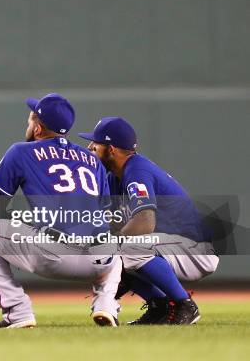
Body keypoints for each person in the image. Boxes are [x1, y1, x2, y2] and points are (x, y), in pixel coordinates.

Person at [0, 93, 122, 328]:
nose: (28, 125)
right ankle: (106, 305)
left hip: (54, 255)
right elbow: (107, 215)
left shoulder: (20, 151)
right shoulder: (92, 160)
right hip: (101, 260)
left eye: (30, 120)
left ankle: (18, 312)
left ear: (38, 128)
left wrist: (26, 229)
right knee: (114, 241)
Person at [79, 117, 218, 325]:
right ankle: (160, 306)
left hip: (195, 250)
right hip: (169, 245)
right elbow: (112, 225)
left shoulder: (136, 171)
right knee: (105, 248)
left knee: (126, 247)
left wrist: (112, 248)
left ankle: (184, 304)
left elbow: (145, 221)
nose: (90, 147)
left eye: (96, 143)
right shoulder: (114, 177)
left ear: (111, 150)